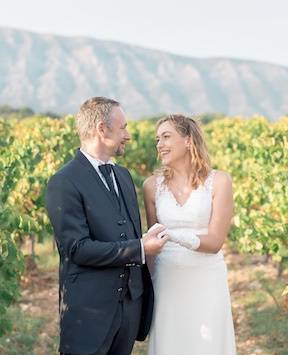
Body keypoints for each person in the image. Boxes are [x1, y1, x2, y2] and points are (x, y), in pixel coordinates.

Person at [46, 97, 168, 355]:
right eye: (123, 127)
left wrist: (144, 239)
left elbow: (122, 231)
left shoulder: (123, 176)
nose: (128, 135)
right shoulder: (64, 181)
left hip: (128, 309)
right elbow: (77, 249)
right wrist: (140, 248)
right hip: (89, 311)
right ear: (102, 129)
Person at [143, 114, 237, 355]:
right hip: (167, 279)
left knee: (208, 344)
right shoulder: (152, 186)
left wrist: (174, 235)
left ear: (187, 140)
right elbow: (153, 246)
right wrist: (149, 286)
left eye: (166, 136)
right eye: (157, 139)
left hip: (206, 277)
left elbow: (215, 242)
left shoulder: (219, 182)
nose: (159, 144)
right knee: (170, 343)